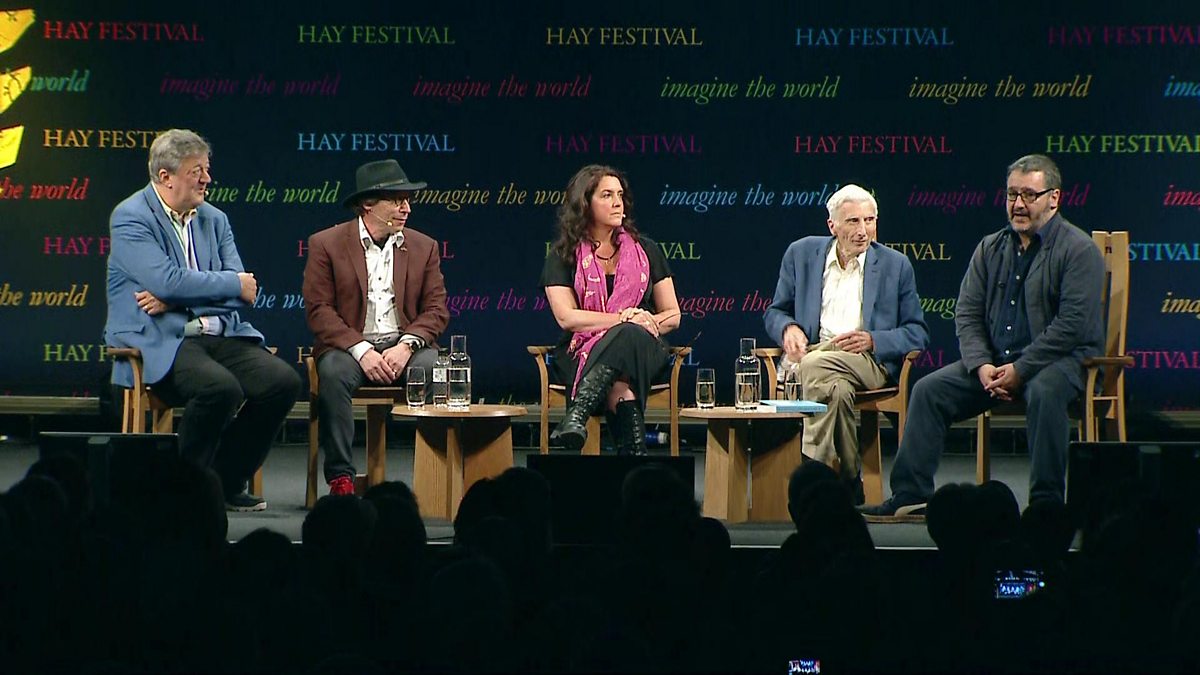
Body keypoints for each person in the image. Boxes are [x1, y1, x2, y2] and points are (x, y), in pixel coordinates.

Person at [861, 154, 1105, 519]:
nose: (1018, 204)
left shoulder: (1078, 249)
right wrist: (981, 366)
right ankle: (910, 496)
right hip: (995, 365)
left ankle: (1046, 505)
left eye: (1029, 195)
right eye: (1012, 194)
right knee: (928, 391)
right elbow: (967, 314)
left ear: (1054, 198)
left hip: (1061, 363)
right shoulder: (990, 247)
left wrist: (1021, 369)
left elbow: (1072, 326)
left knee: (1044, 392)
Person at [104, 128, 301, 511]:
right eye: (197, 171)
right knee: (220, 389)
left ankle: (222, 480)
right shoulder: (131, 217)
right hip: (164, 337)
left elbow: (243, 292)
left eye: (206, 170)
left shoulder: (215, 219)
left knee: (283, 382)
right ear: (166, 176)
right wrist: (220, 286)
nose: (207, 179)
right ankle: (186, 490)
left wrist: (178, 299)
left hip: (220, 333)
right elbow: (172, 281)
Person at [763, 184, 928, 504]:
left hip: (867, 361)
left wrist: (873, 339)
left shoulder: (896, 265)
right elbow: (775, 311)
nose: (863, 230)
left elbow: (917, 332)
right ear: (832, 226)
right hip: (819, 357)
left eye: (870, 220)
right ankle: (851, 479)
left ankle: (812, 467)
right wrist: (788, 328)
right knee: (836, 392)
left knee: (810, 363)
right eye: (853, 221)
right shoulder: (801, 254)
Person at [303, 159, 449, 496]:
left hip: (404, 346)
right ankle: (341, 479)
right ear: (368, 204)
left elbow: (436, 309)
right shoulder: (326, 244)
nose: (406, 209)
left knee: (433, 366)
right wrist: (362, 350)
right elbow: (319, 310)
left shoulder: (424, 246)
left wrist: (406, 345)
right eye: (396, 201)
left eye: (407, 201)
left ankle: (435, 478)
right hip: (348, 348)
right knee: (334, 374)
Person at [541, 165, 682, 455]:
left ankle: (577, 414)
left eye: (620, 195)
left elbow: (673, 315)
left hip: (645, 348)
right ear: (585, 203)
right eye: (607, 195)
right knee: (621, 388)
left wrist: (640, 322)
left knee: (631, 334)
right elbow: (567, 317)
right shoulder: (563, 255)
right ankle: (636, 462)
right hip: (581, 350)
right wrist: (622, 319)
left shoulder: (647, 250)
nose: (618, 202)